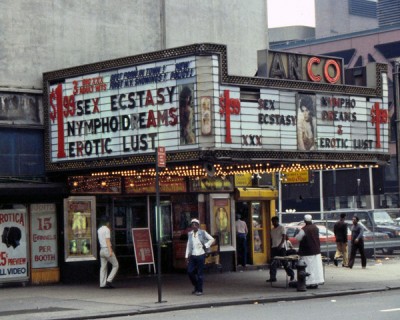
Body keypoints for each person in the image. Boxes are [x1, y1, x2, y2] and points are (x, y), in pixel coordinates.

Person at [185, 218, 215, 296]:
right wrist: (186, 256)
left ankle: (199, 290)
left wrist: (206, 245)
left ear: (198, 226)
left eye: (196, 225)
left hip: (201, 255)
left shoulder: (203, 232)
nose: (194, 226)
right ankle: (196, 285)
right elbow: (188, 245)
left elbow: (212, 239)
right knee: (190, 271)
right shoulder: (190, 234)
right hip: (193, 255)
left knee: (199, 273)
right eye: (193, 225)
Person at [295, 214, 324, 289]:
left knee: (308, 267)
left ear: (304, 221)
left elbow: (298, 238)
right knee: (315, 268)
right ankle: (315, 282)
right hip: (316, 250)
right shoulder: (316, 228)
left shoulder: (304, 229)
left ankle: (308, 282)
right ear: (311, 220)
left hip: (307, 251)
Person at [266, 216, 295, 282]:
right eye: (273, 221)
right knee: (273, 263)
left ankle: (291, 274)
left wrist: (280, 245)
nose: (273, 223)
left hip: (281, 247)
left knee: (284, 262)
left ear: (277, 221)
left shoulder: (282, 228)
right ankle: (272, 277)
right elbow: (271, 239)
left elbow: (284, 237)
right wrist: (270, 246)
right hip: (274, 247)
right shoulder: (272, 230)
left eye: (275, 221)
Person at [97, 216, 119, 289]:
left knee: (103, 267)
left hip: (101, 250)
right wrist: (110, 251)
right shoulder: (107, 229)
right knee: (116, 265)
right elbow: (108, 241)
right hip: (107, 249)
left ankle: (102, 284)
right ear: (107, 222)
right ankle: (109, 280)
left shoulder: (99, 229)